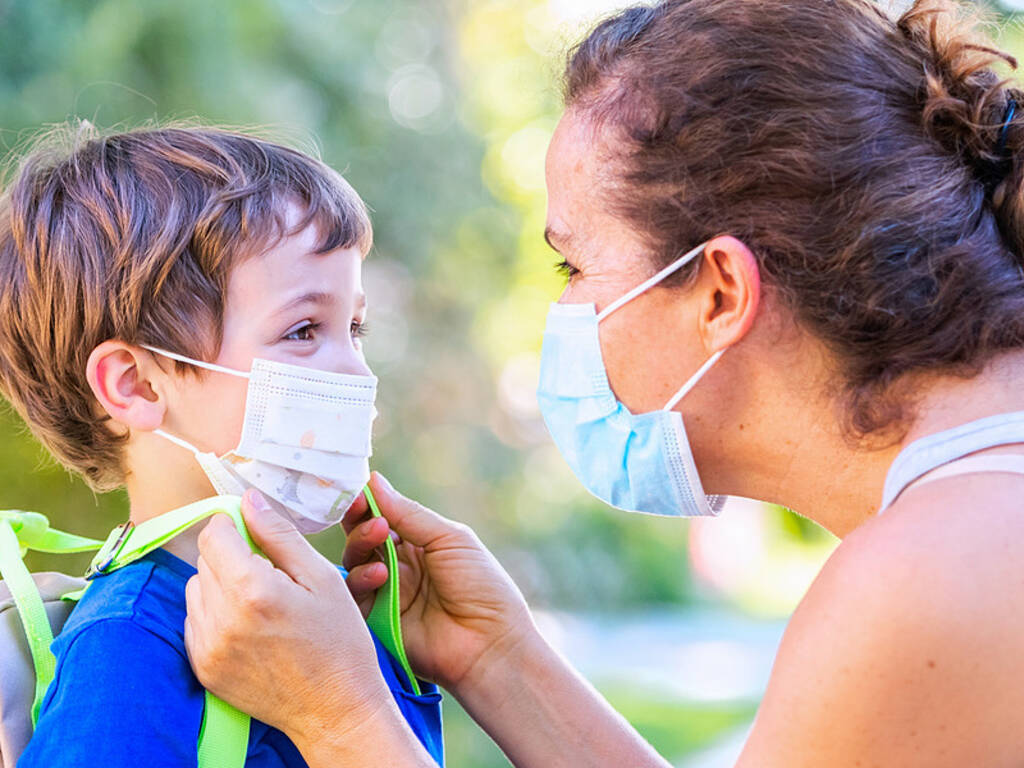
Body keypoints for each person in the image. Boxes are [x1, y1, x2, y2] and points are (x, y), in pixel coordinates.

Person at [182, 0, 1024, 765]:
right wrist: (500, 659)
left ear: (720, 293)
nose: (564, 308)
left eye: (573, 263)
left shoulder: (924, 578)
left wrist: (339, 718)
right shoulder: (970, 511)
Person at [0, 124, 443, 766]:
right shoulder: (128, 644)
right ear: (135, 385)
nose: (356, 371)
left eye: (355, 327)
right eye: (303, 330)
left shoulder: (335, 619)